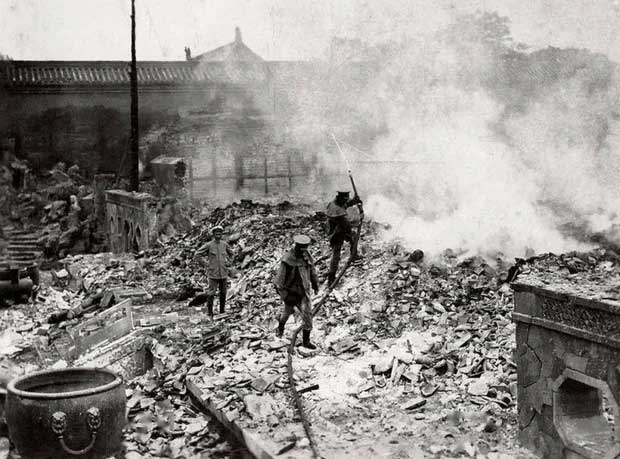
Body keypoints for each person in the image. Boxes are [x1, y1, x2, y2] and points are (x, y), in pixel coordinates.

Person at [274, 234, 319, 349]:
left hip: (304, 291)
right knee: (286, 313)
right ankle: (280, 327)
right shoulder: (288, 259)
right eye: (302, 248)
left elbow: (312, 269)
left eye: (305, 248)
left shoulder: (307, 256)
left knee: (307, 315)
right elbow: (278, 282)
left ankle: (306, 341)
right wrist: (285, 296)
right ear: (297, 246)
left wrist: (315, 283)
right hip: (291, 292)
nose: (303, 251)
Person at [326, 190, 362, 286]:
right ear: (340, 198)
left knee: (352, 238)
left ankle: (354, 255)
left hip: (340, 228)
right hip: (335, 233)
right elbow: (347, 225)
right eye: (345, 199)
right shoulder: (336, 209)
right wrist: (359, 218)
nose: (346, 201)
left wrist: (355, 200)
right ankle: (331, 277)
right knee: (336, 254)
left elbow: (346, 204)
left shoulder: (338, 202)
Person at [197, 225, 233, 317]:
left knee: (223, 293)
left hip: (223, 273)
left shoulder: (224, 244)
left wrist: (229, 263)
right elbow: (197, 254)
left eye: (220, 233)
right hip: (213, 273)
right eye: (216, 233)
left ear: (222, 234)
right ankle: (210, 313)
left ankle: (222, 311)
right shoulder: (209, 245)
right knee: (211, 293)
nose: (218, 235)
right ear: (213, 234)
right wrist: (206, 264)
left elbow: (232, 254)